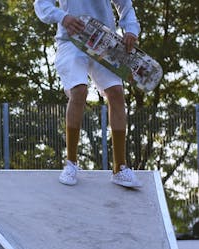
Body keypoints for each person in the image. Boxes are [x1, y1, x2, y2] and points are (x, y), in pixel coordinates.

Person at [34, 0, 142, 188]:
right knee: (79, 90)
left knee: (117, 93)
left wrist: (131, 30)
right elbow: (41, 3)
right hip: (72, 41)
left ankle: (120, 168)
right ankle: (71, 163)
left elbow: (125, 4)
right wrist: (63, 17)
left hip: (104, 43)